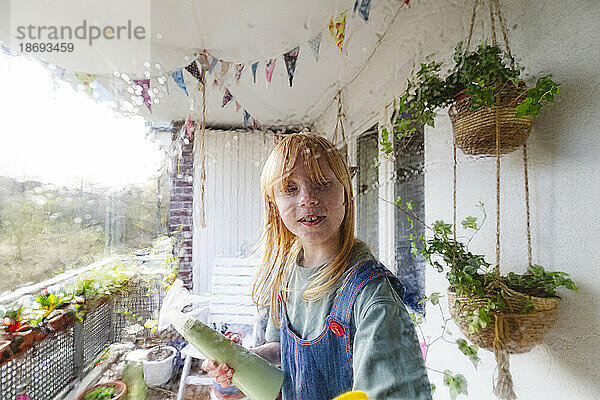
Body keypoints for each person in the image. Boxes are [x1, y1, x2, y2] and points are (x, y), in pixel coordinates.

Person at [202, 132, 431, 400]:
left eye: (322, 183)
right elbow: (285, 350)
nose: (307, 198)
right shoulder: (285, 272)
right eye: (290, 188)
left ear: (346, 194)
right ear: (274, 206)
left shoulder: (372, 297)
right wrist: (242, 364)